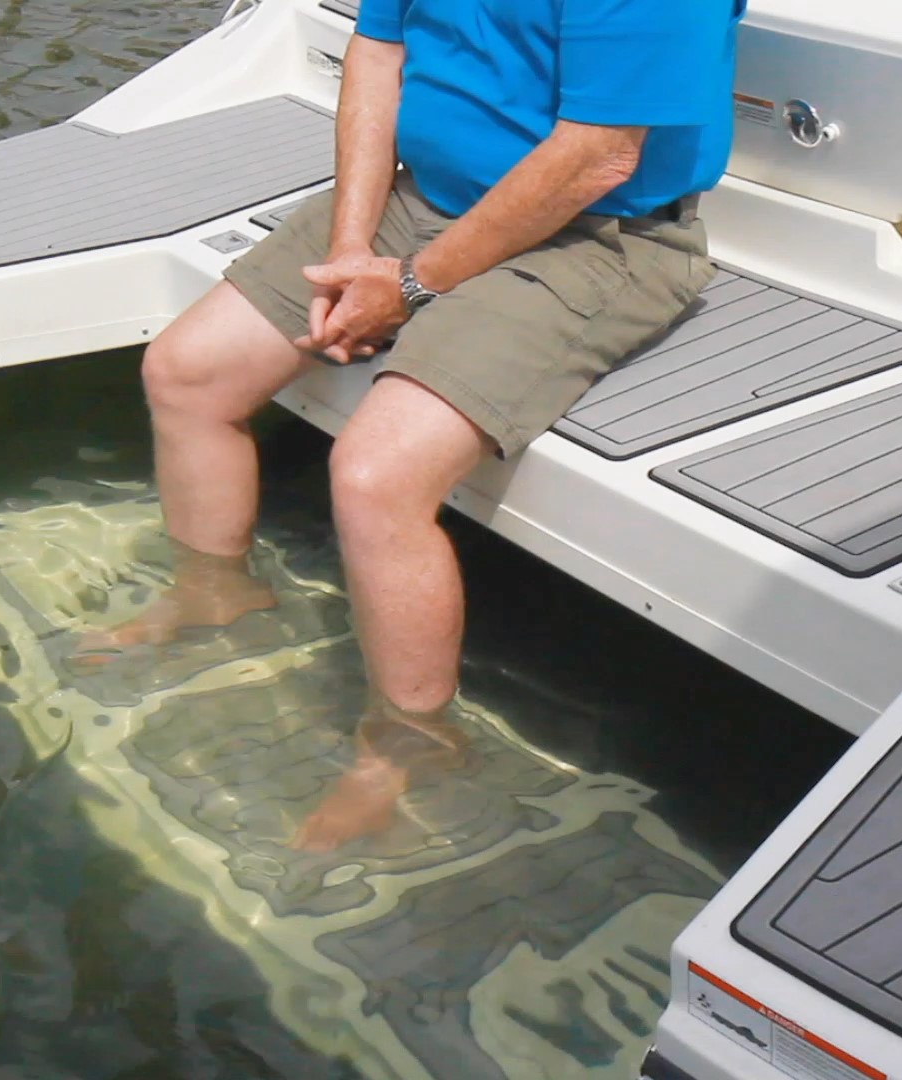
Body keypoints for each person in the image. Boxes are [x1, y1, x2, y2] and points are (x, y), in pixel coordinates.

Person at [77, 0, 745, 849]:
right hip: (419, 199)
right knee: (187, 372)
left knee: (375, 477)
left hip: (598, 236)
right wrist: (355, 247)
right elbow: (377, 54)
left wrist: (416, 285)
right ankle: (216, 594)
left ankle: (412, 746)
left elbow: (602, 152)